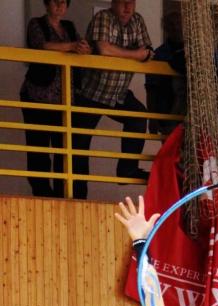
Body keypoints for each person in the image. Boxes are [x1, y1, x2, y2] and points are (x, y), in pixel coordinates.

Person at [72, 0, 154, 199]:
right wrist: (136, 54)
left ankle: (127, 170)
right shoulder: (103, 17)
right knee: (79, 145)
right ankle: (77, 198)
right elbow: (104, 50)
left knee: (139, 116)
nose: (127, 7)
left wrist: (141, 54)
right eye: (123, 2)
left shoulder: (137, 20)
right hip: (91, 93)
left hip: (118, 93)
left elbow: (148, 52)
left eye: (131, 2)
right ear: (113, 3)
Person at [20, 0, 91, 198]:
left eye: (63, 2)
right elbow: (41, 45)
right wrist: (72, 46)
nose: (60, 5)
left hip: (64, 100)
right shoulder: (36, 23)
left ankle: (63, 194)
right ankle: (42, 193)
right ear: (46, 4)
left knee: (63, 150)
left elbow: (79, 46)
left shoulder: (69, 26)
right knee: (39, 148)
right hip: (38, 97)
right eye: (55, 1)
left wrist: (84, 48)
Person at [145, 9, 186, 136]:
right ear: (166, 29)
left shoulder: (196, 50)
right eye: (171, 25)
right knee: (171, 149)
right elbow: (151, 89)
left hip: (192, 115)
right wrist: (152, 118)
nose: (176, 28)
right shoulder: (159, 55)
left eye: (179, 23)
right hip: (167, 116)